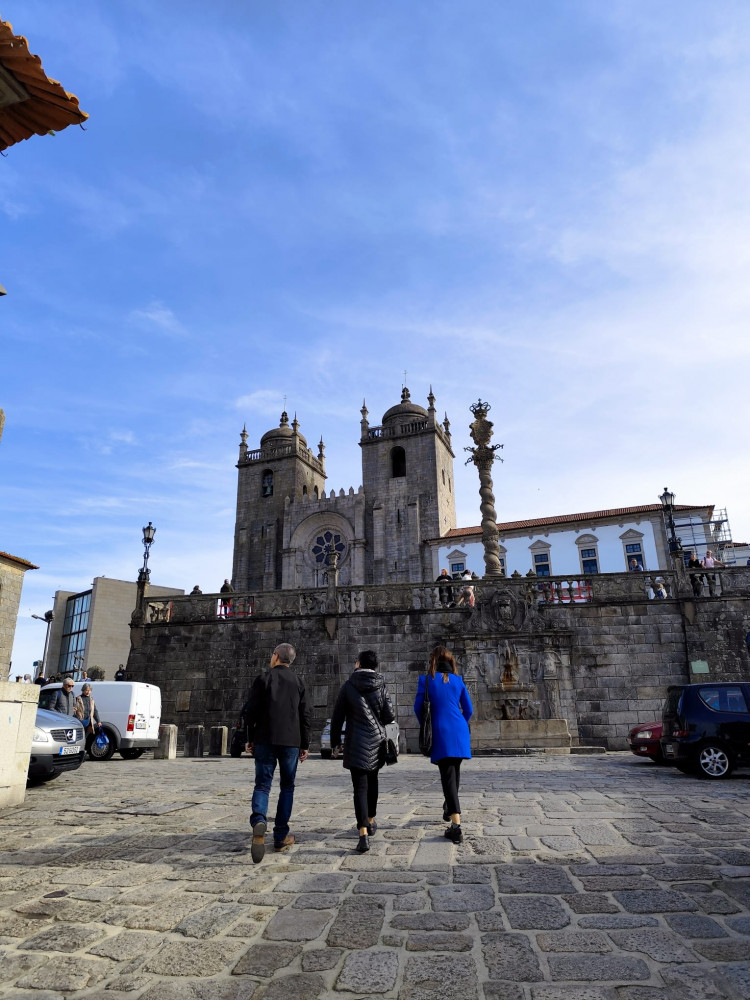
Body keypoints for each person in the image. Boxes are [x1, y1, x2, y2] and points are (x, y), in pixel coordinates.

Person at [244, 642, 310, 864]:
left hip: (264, 738)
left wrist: (249, 738)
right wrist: (305, 744)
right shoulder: (299, 682)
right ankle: (281, 836)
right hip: (291, 741)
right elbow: (305, 716)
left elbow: (249, 711)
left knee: (262, 784)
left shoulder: (263, 679)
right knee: (287, 787)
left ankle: (259, 821)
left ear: (276, 657)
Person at [330, 650, 396, 854]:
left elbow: (337, 717)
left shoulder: (348, 686)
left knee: (359, 788)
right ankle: (371, 819)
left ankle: (363, 834)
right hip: (376, 743)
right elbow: (389, 715)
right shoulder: (381, 686)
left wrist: (335, 743)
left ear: (358, 663)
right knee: (373, 782)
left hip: (356, 743)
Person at [414, 644, 473, 844]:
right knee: (454, 772)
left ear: (434, 660)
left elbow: (418, 709)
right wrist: (459, 725)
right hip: (459, 730)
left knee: (448, 776)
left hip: (440, 731)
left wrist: (427, 725)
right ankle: (448, 807)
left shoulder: (426, 681)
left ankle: (456, 825)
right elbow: (469, 710)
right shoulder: (458, 680)